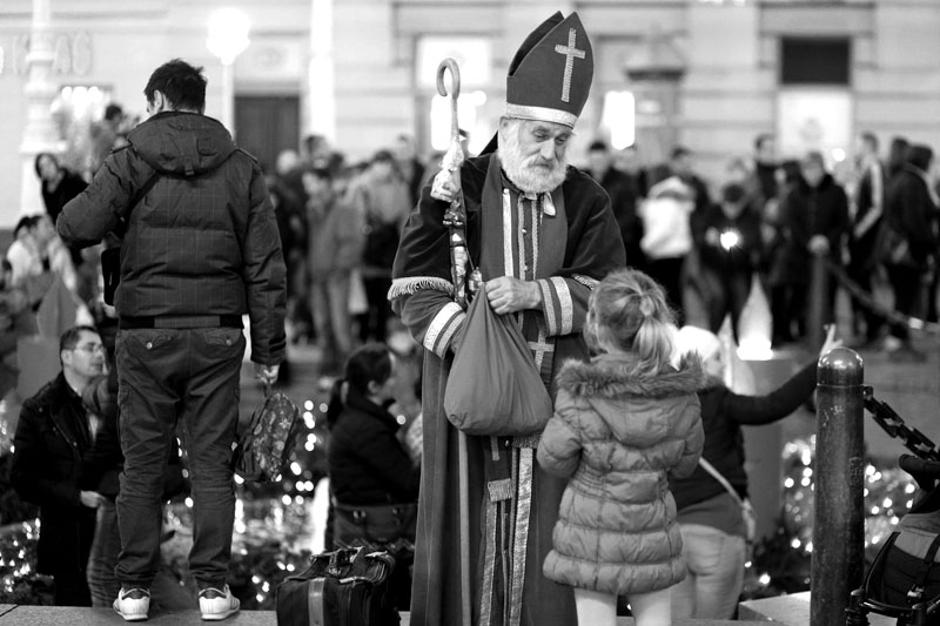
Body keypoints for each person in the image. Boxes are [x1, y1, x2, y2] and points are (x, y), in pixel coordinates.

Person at [390, 12, 625, 626]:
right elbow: (413, 287)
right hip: (467, 392)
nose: (550, 152)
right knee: (466, 532)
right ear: (509, 125)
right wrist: (474, 341)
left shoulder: (586, 198)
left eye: (561, 141)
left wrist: (535, 294)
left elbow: (610, 293)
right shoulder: (457, 186)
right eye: (539, 136)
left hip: (557, 397)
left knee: (550, 533)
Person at [56, 58, 287, 621]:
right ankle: (212, 590)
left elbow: (73, 226)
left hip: (146, 336)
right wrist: (270, 351)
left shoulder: (130, 158)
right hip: (218, 337)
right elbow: (266, 265)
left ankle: (132, 589)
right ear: (199, 102)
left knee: (142, 464)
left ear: (158, 99)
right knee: (210, 465)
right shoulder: (241, 167)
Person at [538, 269, 704, 626]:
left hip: (589, 534)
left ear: (596, 326)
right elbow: (686, 465)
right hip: (653, 532)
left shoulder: (581, 391)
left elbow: (553, 458)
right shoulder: (681, 392)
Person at [669, 324, 841, 619]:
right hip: (718, 532)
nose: (725, 366)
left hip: (671, 538)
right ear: (703, 362)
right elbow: (772, 406)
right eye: (719, 358)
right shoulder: (719, 400)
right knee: (713, 624)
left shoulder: (663, 406)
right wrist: (819, 366)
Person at [11, 325, 107, 606]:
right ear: (67, 356)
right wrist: (76, 496)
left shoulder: (118, 401)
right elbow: (22, 477)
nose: (99, 354)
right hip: (70, 543)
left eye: (101, 348)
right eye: (90, 348)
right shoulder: (41, 408)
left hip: (117, 536)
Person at [326, 343, 420, 610]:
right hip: (375, 533)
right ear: (373, 387)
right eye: (390, 375)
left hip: (364, 526)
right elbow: (409, 483)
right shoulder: (364, 429)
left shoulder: (360, 415)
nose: (396, 379)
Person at [777, 151, 850, 338]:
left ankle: (827, 333)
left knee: (828, 295)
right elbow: (792, 222)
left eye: (816, 169)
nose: (812, 174)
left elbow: (842, 221)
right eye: (808, 169)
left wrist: (827, 239)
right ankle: (802, 331)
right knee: (800, 294)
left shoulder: (836, 192)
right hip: (801, 254)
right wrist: (808, 242)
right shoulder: (794, 194)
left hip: (829, 253)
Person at [881, 144, 938, 361]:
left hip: (896, 250)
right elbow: (914, 220)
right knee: (904, 297)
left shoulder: (903, 178)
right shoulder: (913, 182)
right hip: (905, 252)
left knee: (902, 297)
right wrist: (930, 244)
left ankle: (899, 338)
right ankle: (896, 341)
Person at [304, 166, 364, 372]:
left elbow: (353, 242)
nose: (308, 188)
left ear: (324, 182)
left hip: (337, 275)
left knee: (341, 325)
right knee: (322, 324)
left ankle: (349, 371)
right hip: (318, 274)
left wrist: (341, 267)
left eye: (311, 182)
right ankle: (328, 368)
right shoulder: (312, 210)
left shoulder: (343, 209)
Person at [349, 149, 411, 343]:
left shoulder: (399, 186)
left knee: (383, 301)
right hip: (367, 250)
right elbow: (351, 219)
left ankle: (378, 341)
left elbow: (405, 219)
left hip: (386, 251)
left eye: (387, 165)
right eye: (381, 164)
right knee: (366, 301)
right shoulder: (360, 186)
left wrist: (405, 248)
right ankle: (366, 339)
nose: (384, 169)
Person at [691, 182, 762, 337]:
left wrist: (744, 242)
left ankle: (737, 337)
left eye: (736, 206)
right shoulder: (712, 212)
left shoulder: (751, 215)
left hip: (740, 267)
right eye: (728, 206)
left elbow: (755, 240)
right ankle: (715, 336)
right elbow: (699, 235)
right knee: (718, 298)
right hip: (714, 266)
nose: (732, 211)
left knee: (740, 301)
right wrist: (707, 238)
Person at [848, 131, 886, 347]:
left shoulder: (874, 168)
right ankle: (868, 324)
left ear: (868, 146)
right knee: (858, 281)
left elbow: (877, 205)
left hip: (867, 236)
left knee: (864, 279)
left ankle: (874, 324)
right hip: (859, 235)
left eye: (859, 144)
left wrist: (859, 230)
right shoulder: (861, 168)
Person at [586, 140, 643, 269]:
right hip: (589, 243)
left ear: (608, 159)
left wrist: (607, 234)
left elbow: (628, 214)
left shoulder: (623, 181)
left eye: (600, 161)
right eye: (594, 162)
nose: (597, 165)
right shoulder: (583, 180)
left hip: (618, 240)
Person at [35, 152, 88, 225]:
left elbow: (89, 193)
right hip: (61, 227)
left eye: (48, 163)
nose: (47, 169)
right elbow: (51, 213)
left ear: (55, 163)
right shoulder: (45, 188)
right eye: (42, 167)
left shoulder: (70, 178)